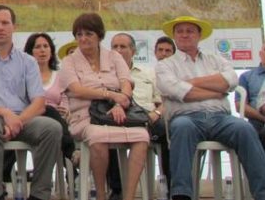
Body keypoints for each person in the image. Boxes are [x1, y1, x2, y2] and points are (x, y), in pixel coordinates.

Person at [156, 15, 265, 200]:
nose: (184, 35)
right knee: (182, 127)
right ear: (174, 36)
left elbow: (231, 80)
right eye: (179, 31)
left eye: (190, 31)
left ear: (199, 35)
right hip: (186, 117)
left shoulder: (216, 60)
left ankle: (262, 193)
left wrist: (190, 83)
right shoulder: (165, 65)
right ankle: (181, 195)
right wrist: (215, 91)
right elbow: (177, 91)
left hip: (221, 118)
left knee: (245, 128)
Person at [0, 5, 62, 200]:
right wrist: (4, 113)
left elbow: (39, 103)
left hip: (24, 119)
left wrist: (17, 121)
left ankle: (39, 195)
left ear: (14, 27)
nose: (0, 27)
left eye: (5, 23)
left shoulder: (28, 61)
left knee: (52, 128)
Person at [58, 13, 148, 200]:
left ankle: (128, 196)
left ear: (99, 35)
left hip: (117, 113)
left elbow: (126, 84)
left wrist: (119, 103)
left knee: (142, 136)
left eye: (88, 34)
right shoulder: (69, 62)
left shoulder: (114, 56)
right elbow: (77, 89)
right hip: (85, 116)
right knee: (97, 136)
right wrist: (109, 94)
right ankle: (100, 193)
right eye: (79, 35)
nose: (83, 39)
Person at [109, 33, 168, 199]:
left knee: (169, 129)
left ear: (133, 51)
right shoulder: (106, 75)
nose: (119, 50)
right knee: (103, 132)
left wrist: (156, 114)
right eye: (115, 47)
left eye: (123, 47)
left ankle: (170, 188)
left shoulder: (148, 73)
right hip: (119, 117)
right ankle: (118, 191)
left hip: (148, 118)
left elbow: (164, 101)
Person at [24, 33, 74, 163]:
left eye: (46, 46)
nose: (42, 50)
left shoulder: (60, 76)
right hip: (32, 119)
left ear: (51, 51)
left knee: (55, 118)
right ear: (30, 52)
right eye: (38, 47)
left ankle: (72, 173)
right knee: (48, 110)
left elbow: (65, 98)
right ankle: (72, 154)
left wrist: (66, 110)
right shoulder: (23, 77)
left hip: (59, 119)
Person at [238, 47, 265, 149]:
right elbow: (240, 106)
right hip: (257, 122)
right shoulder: (246, 76)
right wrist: (262, 118)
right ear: (260, 53)